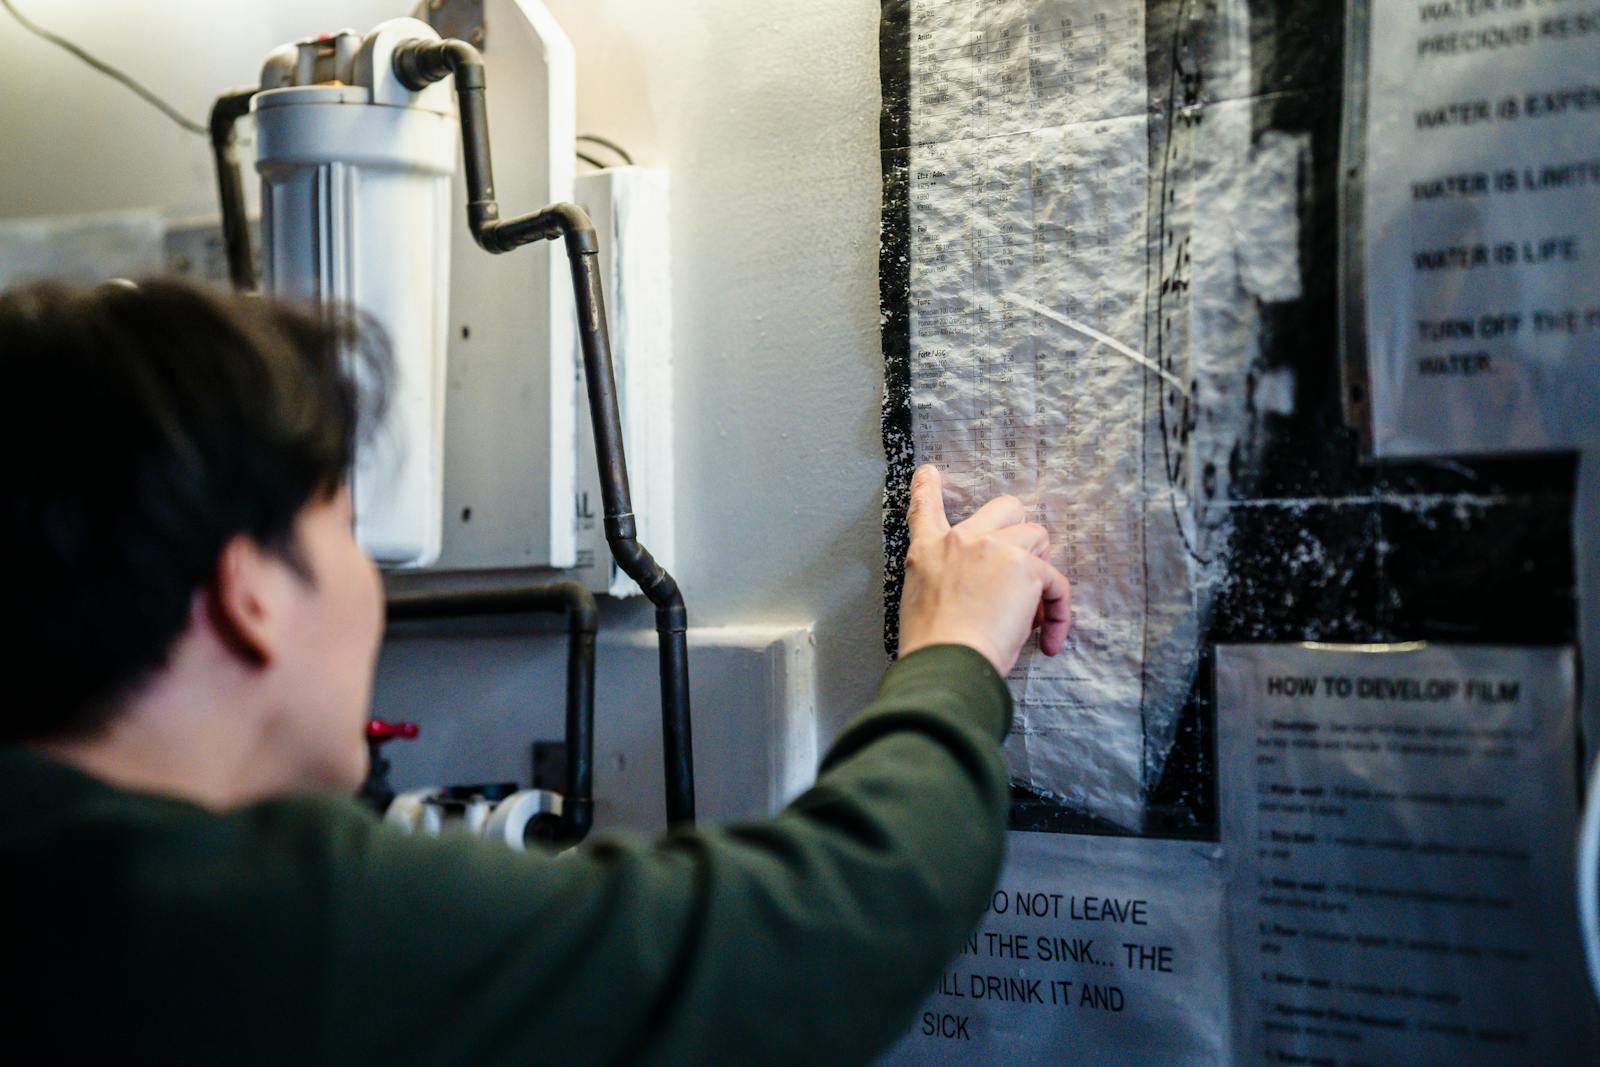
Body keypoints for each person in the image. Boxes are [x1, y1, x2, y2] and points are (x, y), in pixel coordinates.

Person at [0, 279, 1071, 1065]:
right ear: (253, 595)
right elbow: (826, 936)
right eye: (345, 529)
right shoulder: (254, 923)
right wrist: (952, 653)